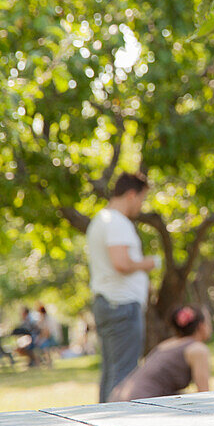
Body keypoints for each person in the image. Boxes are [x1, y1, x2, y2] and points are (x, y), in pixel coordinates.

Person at [85, 172, 159, 402]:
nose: (141, 205)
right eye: (142, 199)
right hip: (122, 305)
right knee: (123, 374)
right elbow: (121, 263)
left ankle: (102, 424)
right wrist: (150, 263)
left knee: (111, 372)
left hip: (110, 302)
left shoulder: (100, 220)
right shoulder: (116, 222)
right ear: (131, 194)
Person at [109, 306, 212, 401]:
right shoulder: (198, 349)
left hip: (118, 398)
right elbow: (204, 394)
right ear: (201, 326)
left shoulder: (167, 344)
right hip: (140, 404)